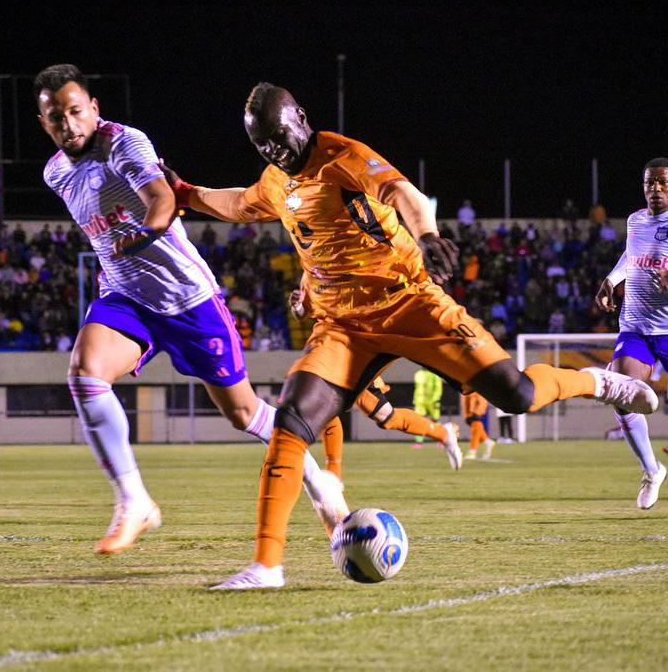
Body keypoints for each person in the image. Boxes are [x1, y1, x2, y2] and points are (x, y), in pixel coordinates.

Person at [169, 82, 657, 589]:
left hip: (408, 303)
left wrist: (427, 235)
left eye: (278, 135)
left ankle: (598, 382)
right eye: (262, 144)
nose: (274, 149)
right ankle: (266, 566)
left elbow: (404, 193)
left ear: (301, 118)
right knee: (291, 420)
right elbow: (239, 203)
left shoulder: (342, 156)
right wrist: (185, 193)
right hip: (342, 325)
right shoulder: (276, 180)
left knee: (516, 394)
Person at [34, 65, 346, 555]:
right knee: (85, 375)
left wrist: (146, 233)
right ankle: (134, 501)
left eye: (76, 111)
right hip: (126, 297)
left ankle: (320, 484)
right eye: (56, 117)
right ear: (44, 122)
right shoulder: (55, 173)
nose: (68, 124)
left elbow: (161, 199)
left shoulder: (124, 143)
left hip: (187, 298)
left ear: (93, 108)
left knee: (243, 413)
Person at [289, 283, 462, 472]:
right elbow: (303, 312)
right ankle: (443, 433)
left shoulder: (360, 273)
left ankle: (333, 475)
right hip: (333, 346)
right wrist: (297, 306)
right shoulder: (315, 273)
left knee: (378, 415)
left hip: (358, 347)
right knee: (381, 416)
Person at [595, 157, 668, 509]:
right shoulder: (636, 220)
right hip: (636, 326)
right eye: (650, 182)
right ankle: (652, 470)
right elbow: (631, 256)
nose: (656, 188)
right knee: (622, 395)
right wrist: (611, 280)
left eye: (663, 182)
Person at [413, 368, 443, 443]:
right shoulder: (418, 374)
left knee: (435, 420)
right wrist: (415, 400)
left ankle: (440, 440)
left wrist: (436, 399)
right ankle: (419, 442)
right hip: (420, 402)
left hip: (433, 401)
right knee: (418, 421)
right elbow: (417, 389)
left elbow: (438, 388)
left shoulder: (435, 374)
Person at [461, 392, 494, 460]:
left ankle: (473, 450)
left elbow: (481, 395)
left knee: (475, 424)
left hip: (476, 402)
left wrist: (478, 410)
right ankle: (487, 441)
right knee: (474, 424)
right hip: (468, 396)